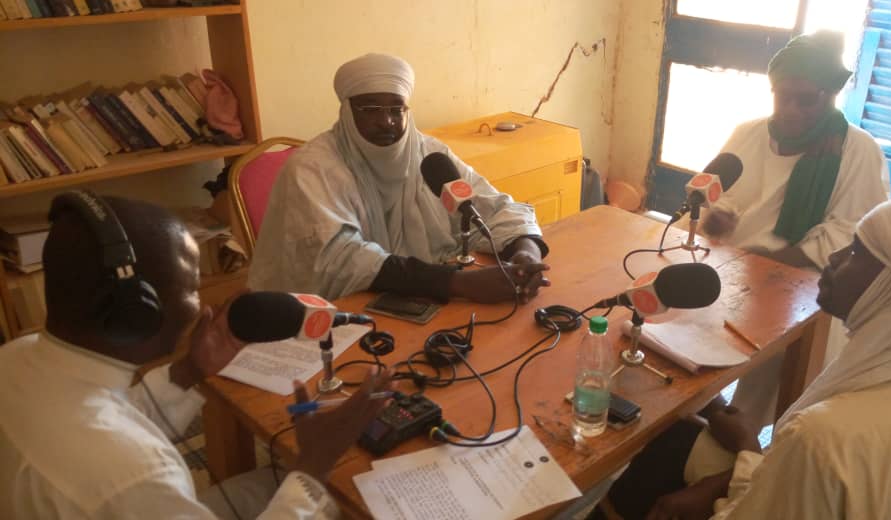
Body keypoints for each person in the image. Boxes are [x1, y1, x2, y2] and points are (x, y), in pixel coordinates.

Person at [607, 182, 891, 519]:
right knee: (681, 439)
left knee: (659, 482)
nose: (835, 257)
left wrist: (713, 496)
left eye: (858, 251)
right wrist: (745, 456)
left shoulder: (826, 437)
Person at [0, 192, 391, 519]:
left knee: (275, 480)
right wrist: (314, 464)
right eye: (190, 289)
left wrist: (189, 371)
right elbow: (116, 446)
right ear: (138, 310)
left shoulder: (14, 358)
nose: (200, 304)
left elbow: (111, 417)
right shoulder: (134, 474)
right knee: (343, 496)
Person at [695, 30, 891, 441]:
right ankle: (689, 418)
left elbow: (851, 234)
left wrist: (773, 263)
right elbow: (721, 195)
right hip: (732, 270)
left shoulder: (857, 151)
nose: (791, 110)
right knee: (686, 351)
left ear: (832, 95)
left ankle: (745, 457)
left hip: (805, 285)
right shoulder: (749, 134)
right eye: (782, 96)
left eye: (807, 99)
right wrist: (716, 219)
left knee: (777, 395)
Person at [249, 53, 550, 304]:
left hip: (425, 299)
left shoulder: (429, 155)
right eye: (370, 110)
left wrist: (525, 254)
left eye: (397, 109)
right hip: (334, 315)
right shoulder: (312, 169)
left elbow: (493, 208)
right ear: (346, 111)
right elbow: (339, 262)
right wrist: (460, 283)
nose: (386, 121)